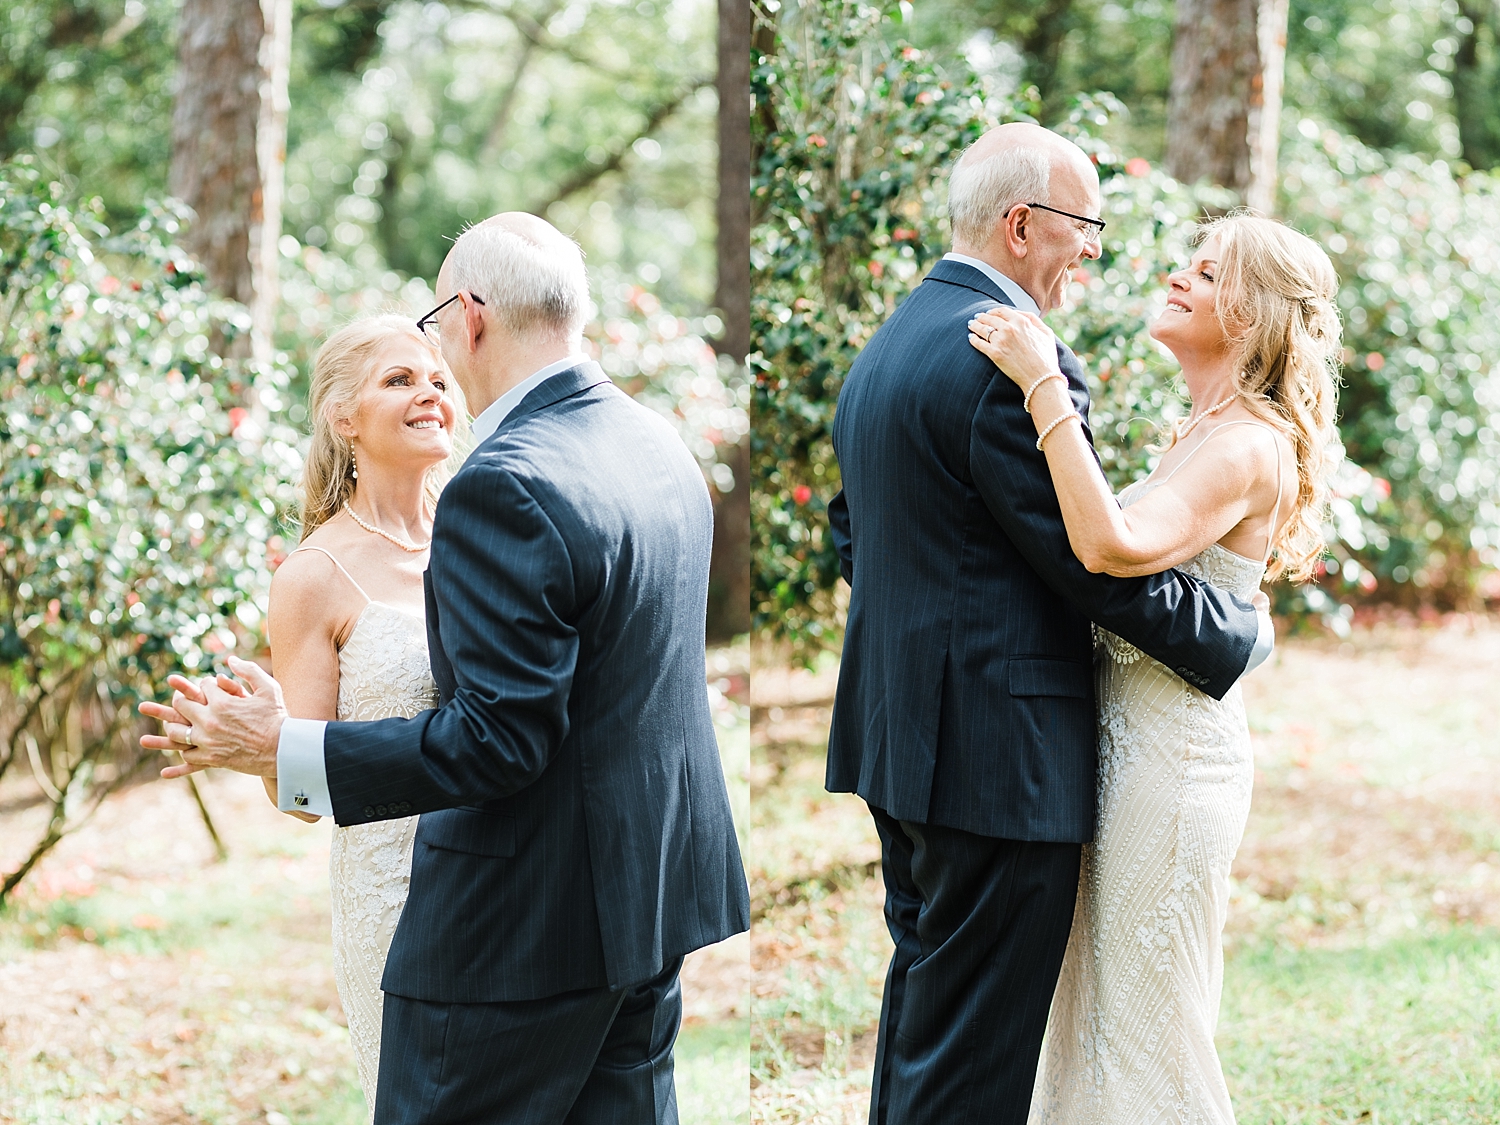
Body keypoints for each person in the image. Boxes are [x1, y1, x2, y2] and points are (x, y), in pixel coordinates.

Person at [141, 213, 750, 1125]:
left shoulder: (502, 486)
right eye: (398, 377)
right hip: (644, 892)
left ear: (469, 316)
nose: (433, 384)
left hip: (514, 924)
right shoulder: (655, 442)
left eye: (432, 357)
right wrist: (286, 746)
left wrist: (286, 747)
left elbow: (503, 739)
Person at [823, 122, 1274, 1124]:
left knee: (927, 1020)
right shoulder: (1003, 361)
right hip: (996, 760)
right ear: (1023, 226)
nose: (1097, 249)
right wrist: (1230, 634)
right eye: (1087, 224)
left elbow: (852, 531)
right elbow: (1091, 565)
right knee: (975, 1062)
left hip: (900, 738)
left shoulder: (890, 346)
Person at [969, 212, 1340, 1124]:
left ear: (1252, 313)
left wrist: (1043, 386)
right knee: (1093, 1021)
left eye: (1207, 274)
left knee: (1149, 1031)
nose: (1178, 277)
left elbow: (1110, 544)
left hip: (1173, 772)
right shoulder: (1200, 430)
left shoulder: (1248, 443)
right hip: (1123, 759)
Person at [247, 314, 465, 1118]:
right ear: (344, 417)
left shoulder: (479, 530)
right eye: (400, 380)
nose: (429, 395)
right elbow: (301, 799)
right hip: (392, 898)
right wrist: (263, 740)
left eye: (438, 380)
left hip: (507, 873)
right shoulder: (314, 574)